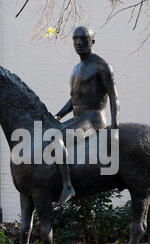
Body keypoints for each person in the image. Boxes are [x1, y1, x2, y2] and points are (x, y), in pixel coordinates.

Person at [53, 26, 120, 206]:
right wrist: (58, 116)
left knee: (57, 138)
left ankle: (68, 187)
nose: (79, 43)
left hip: (93, 120)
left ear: (92, 41)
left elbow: (114, 97)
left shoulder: (102, 65)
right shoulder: (76, 68)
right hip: (78, 119)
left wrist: (115, 127)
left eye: (83, 39)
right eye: (75, 39)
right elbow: (74, 98)